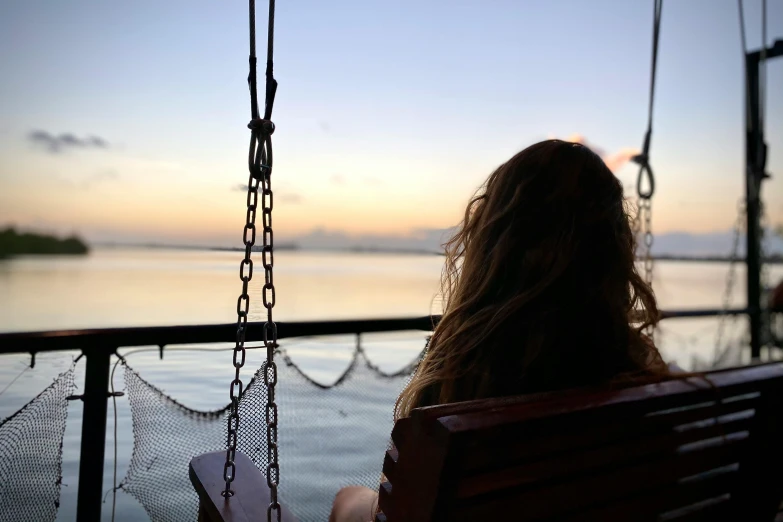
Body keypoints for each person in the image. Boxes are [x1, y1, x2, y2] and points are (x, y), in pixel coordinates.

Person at [329, 139, 672, 522]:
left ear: (491, 241)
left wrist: (351, 505)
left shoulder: (463, 377)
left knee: (347, 500)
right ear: (613, 251)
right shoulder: (639, 380)